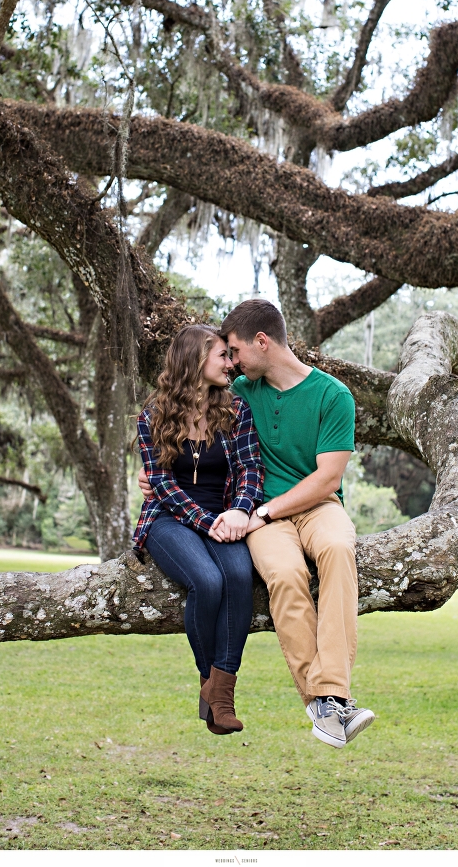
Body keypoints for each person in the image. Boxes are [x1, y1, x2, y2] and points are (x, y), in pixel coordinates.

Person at [140, 299, 374, 749]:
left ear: (261, 342)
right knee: (285, 575)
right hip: (259, 517)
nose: (231, 363)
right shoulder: (241, 392)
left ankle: (332, 697)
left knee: (340, 553)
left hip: (313, 507)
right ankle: (318, 705)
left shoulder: (332, 395)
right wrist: (151, 476)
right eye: (224, 354)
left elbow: (327, 477)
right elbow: (185, 427)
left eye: (235, 351)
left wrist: (257, 512)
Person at [133, 324, 264, 735]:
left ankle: (223, 692)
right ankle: (210, 684)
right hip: (169, 519)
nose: (232, 364)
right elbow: (162, 484)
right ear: (195, 360)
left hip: (225, 516)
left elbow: (249, 468)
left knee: (240, 576)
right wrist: (209, 524)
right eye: (223, 356)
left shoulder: (236, 411)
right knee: (207, 581)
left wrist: (240, 512)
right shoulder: (152, 417)